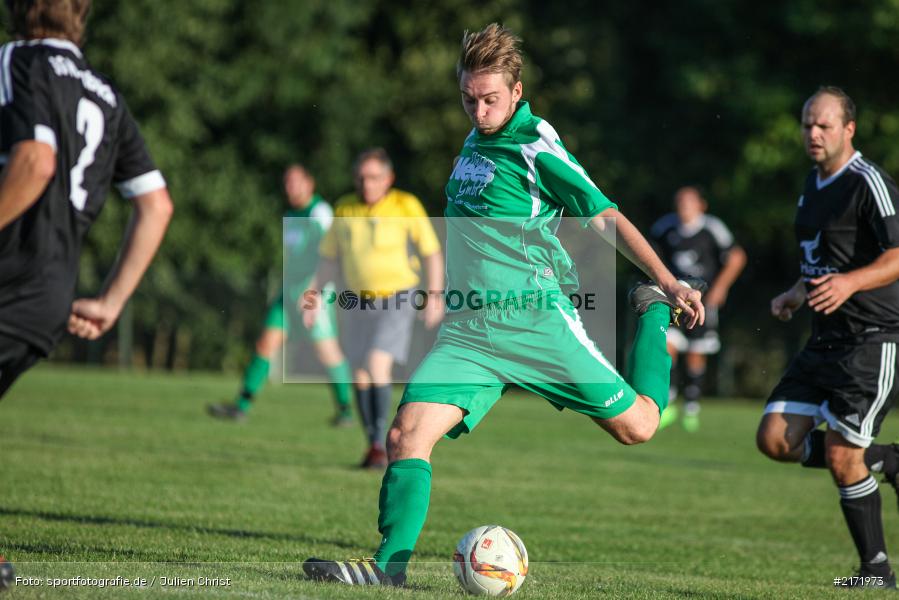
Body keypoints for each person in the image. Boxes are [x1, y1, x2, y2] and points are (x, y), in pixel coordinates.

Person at [302, 23, 704, 587]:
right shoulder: (473, 142)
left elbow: (604, 214)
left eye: (491, 99)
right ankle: (388, 570)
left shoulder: (536, 143)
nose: (479, 110)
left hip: (537, 323)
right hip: (469, 332)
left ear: (516, 91)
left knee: (639, 425)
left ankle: (651, 310)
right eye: (469, 98)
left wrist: (669, 280)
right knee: (404, 437)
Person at [756, 87, 899, 589]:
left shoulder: (867, 182)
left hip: (873, 338)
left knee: (841, 457)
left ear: (848, 129)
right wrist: (797, 292)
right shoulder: (812, 184)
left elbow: (898, 255)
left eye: (824, 126)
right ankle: (887, 459)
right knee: (774, 438)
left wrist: (850, 283)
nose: (813, 134)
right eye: (807, 125)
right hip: (825, 339)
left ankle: (876, 572)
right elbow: (822, 260)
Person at [0, 0, 173, 399]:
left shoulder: (19, 60)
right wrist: (111, 303)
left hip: (7, 279)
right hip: (48, 302)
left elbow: (36, 162)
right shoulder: (106, 94)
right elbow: (157, 205)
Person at [303, 148, 444, 469]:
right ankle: (373, 445)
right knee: (360, 375)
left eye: (374, 177)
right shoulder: (344, 208)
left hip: (398, 296)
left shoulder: (405, 205)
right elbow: (328, 259)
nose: (367, 184)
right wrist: (313, 295)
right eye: (361, 177)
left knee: (376, 363)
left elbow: (431, 253)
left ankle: (382, 446)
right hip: (356, 301)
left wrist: (434, 294)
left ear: (388, 179)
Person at [207, 165, 353, 424]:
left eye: (297, 182)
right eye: (287, 182)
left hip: (314, 292)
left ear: (310, 183)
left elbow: (327, 255)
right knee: (265, 344)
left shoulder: (319, 212)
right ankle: (241, 406)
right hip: (287, 292)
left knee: (327, 351)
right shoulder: (291, 213)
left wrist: (313, 292)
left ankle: (346, 412)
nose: (291, 187)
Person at [650, 186, 746, 431]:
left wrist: (720, 288)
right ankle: (669, 400)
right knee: (667, 346)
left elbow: (736, 257)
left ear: (701, 205)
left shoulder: (711, 228)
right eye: (680, 202)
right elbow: (650, 256)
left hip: (700, 302)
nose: (684, 207)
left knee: (695, 353)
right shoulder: (665, 228)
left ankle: (691, 406)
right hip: (673, 301)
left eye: (689, 202)